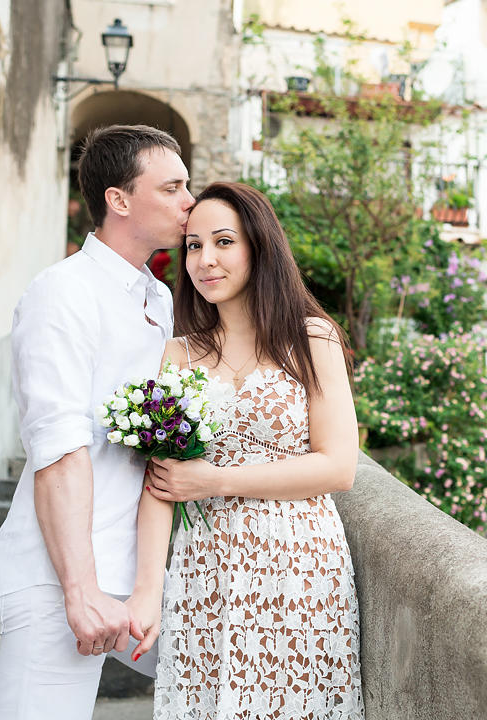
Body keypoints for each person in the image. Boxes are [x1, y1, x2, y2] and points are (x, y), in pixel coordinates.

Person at [125, 182, 364, 719]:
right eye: (192, 245)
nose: (205, 260)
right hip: (203, 569)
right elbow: (160, 485)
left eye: (223, 242)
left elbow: (338, 466)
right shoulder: (176, 356)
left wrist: (215, 481)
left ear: (258, 246)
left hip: (299, 566)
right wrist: (147, 592)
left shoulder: (312, 339)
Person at [0, 124, 194, 719]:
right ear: (118, 200)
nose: (189, 202)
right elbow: (58, 451)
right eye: (172, 187)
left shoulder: (158, 297)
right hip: (62, 576)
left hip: (134, 572)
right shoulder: (62, 293)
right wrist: (81, 589)